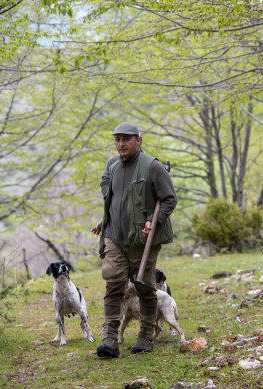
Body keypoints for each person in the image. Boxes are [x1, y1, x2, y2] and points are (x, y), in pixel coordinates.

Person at [91, 122, 177, 358]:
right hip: (115, 237)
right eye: (117, 139)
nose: (121, 144)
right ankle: (109, 339)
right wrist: (103, 223)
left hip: (142, 239)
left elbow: (169, 199)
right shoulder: (112, 165)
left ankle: (146, 336)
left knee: (144, 287)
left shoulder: (153, 167)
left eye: (126, 139)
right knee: (114, 285)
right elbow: (112, 196)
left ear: (138, 140)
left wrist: (152, 219)